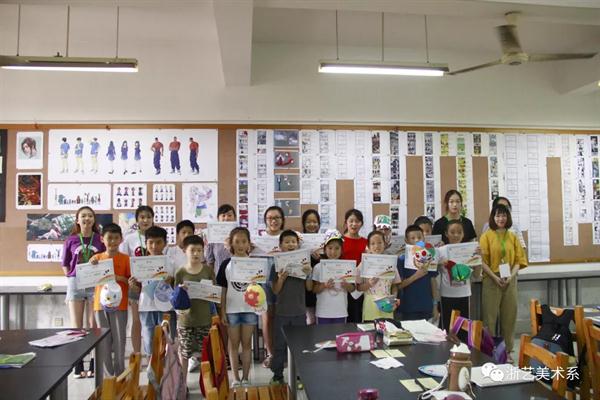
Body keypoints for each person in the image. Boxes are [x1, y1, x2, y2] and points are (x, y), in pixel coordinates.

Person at [480, 204, 527, 362]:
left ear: (508, 217)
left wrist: (511, 277)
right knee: (490, 318)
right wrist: (495, 278)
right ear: (493, 218)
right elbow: (482, 261)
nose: (501, 219)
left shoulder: (513, 236)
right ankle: (490, 351)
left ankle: (507, 351)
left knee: (509, 317)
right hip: (491, 279)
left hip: (509, 280)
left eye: (504, 215)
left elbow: (519, 261)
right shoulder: (486, 236)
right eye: (498, 215)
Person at [62, 206, 105, 378]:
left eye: (90, 216)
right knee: (76, 326)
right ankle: (78, 364)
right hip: (76, 283)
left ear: (94, 220)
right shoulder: (71, 240)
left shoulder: (100, 240)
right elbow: (65, 264)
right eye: (83, 216)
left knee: (94, 325)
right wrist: (71, 278)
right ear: (77, 220)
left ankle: (94, 363)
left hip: (95, 283)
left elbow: (105, 260)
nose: (87, 218)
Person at [270, 230, 313, 385]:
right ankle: (277, 375)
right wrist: (281, 279)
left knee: (300, 346)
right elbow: (275, 290)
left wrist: (309, 274)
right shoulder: (275, 266)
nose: (290, 244)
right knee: (279, 346)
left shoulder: (304, 265)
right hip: (282, 313)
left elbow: (309, 288)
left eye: (293, 242)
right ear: (280, 245)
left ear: (298, 245)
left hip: (299, 313)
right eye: (287, 242)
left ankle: (299, 376)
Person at [217, 227, 257, 387]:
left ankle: (246, 378)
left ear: (249, 244)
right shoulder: (226, 264)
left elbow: (260, 288)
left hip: (250, 310)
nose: (240, 245)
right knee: (233, 344)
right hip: (231, 310)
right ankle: (235, 378)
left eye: (244, 241)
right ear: (231, 244)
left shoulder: (255, 264)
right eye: (237, 242)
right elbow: (223, 289)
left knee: (247, 344)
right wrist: (222, 311)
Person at [90, 223, 130, 376]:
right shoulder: (96, 258)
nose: (112, 241)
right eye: (109, 238)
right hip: (100, 306)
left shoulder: (126, 259)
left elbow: (130, 281)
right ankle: (107, 377)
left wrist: (117, 277)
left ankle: (120, 374)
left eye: (116, 238)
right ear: (102, 239)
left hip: (120, 305)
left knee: (120, 340)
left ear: (121, 239)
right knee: (103, 341)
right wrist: (91, 265)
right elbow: (88, 276)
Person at [130, 226, 176, 356]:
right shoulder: (139, 264)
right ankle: (151, 365)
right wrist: (133, 286)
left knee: (165, 340)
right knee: (149, 340)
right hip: (146, 307)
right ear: (146, 243)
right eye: (150, 242)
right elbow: (138, 288)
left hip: (166, 307)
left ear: (165, 243)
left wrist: (171, 281)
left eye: (158, 242)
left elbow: (177, 286)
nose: (154, 246)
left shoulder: (171, 263)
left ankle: (166, 366)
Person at [174, 235, 214, 389]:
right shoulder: (180, 272)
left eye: (199, 250)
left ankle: (206, 385)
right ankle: (182, 385)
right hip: (185, 321)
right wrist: (180, 291)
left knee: (205, 355)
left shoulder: (208, 270)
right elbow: (175, 298)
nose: (196, 253)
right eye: (192, 250)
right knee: (184, 354)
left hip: (204, 319)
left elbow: (215, 293)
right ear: (185, 250)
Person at [119, 205, 155, 354]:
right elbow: (124, 261)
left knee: (151, 321)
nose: (145, 220)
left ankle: (153, 355)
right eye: (142, 217)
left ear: (153, 219)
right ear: (137, 220)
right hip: (135, 285)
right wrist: (129, 283)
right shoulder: (130, 239)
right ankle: (137, 354)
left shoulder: (157, 237)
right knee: (136, 320)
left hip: (153, 285)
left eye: (148, 217)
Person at [437, 220, 482, 333]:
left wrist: (479, 258)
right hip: (446, 295)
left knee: (463, 329)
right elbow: (432, 271)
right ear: (446, 234)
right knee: (447, 330)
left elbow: (476, 275)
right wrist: (439, 263)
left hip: (464, 295)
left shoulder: (470, 250)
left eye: (459, 232)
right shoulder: (441, 251)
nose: (456, 235)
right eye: (452, 232)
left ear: (463, 234)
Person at [255, 206, 285, 368]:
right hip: (263, 282)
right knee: (267, 318)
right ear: (265, 220)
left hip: (282, 281)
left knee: (281, 317)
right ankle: (271, 354)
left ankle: (282, 354)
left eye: (277, 218)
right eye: (270, 218)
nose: (273, 221)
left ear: (282, 220)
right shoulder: (258, 239)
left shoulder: (288, 237)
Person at [356, 231, 401, 322]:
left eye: (379, 242)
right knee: (371, 328)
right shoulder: (364, 263)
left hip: (387, 303)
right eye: (373, 243)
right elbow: (358, 287)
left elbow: (395, 285)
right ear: (368, 246)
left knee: (387, 328)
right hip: (370, 304)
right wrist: (369, 284)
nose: (376, 246)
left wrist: (393, 299)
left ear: (385, 244)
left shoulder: (391, 262)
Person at [312, 230, 354, 324]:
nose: (333, 251)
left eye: (337, 248)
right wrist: (324, 286)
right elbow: (314, 289)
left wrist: (347, 285)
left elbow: (352, 289)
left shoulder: (347, 266)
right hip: (323, 312)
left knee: (340, 333)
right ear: (324, 249)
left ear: (341, 250)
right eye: (330, 248)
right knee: (323, 334)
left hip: (340, 311)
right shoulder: (318, 267)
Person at [397, 225, 438, 321]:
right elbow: (399, 286)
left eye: (419, 237)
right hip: (409, 308)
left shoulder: (429, 257)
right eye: (413, 238)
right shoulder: (402, 260)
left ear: (424, 239)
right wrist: (415, 276)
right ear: (406, 240)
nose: (416, 240)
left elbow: (433, 282)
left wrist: (435, 305)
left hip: (427, 306)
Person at [341, 209, 368, 323]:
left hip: (360, 285)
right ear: (346, 222)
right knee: (344, 317)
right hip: (343, 283)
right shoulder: (339, 241)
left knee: (357, 316)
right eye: (351, 221)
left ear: (361, 223)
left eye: (357, 221)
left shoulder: (366, 242)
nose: (354, 224)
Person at [205, 204, 236, 275]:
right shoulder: (212, 237)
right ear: (218, 218)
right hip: (219, 276)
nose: (226, 218)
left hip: (236, 275)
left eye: (229, 215)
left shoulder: (240, 235)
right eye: (223, 215)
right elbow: (210, 262)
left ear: (234, 217)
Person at [301, 209, 320, 325]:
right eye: (308, 222)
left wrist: (320, 259)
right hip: (303, 285)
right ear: (303, 224)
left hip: (318, 285)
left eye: (315, 222)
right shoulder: (298, 241)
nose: (312, 224)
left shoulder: (324, 241)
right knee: (307, 320)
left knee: (316, 319)